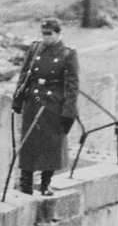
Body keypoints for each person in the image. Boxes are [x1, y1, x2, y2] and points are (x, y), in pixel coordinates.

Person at [12, 17, 80, 196]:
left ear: (58, 33)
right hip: (33, 103)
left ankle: (45, 183)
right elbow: (24, 75)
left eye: (49, 34)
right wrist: (18, 98)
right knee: (29, 142)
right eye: (43, 34)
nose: (46, 37)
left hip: (53, 106)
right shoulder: (35, 48)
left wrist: (69, 111)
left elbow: (72, 86)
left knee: (51, 145)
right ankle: (25, 183)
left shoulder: (68, 54)